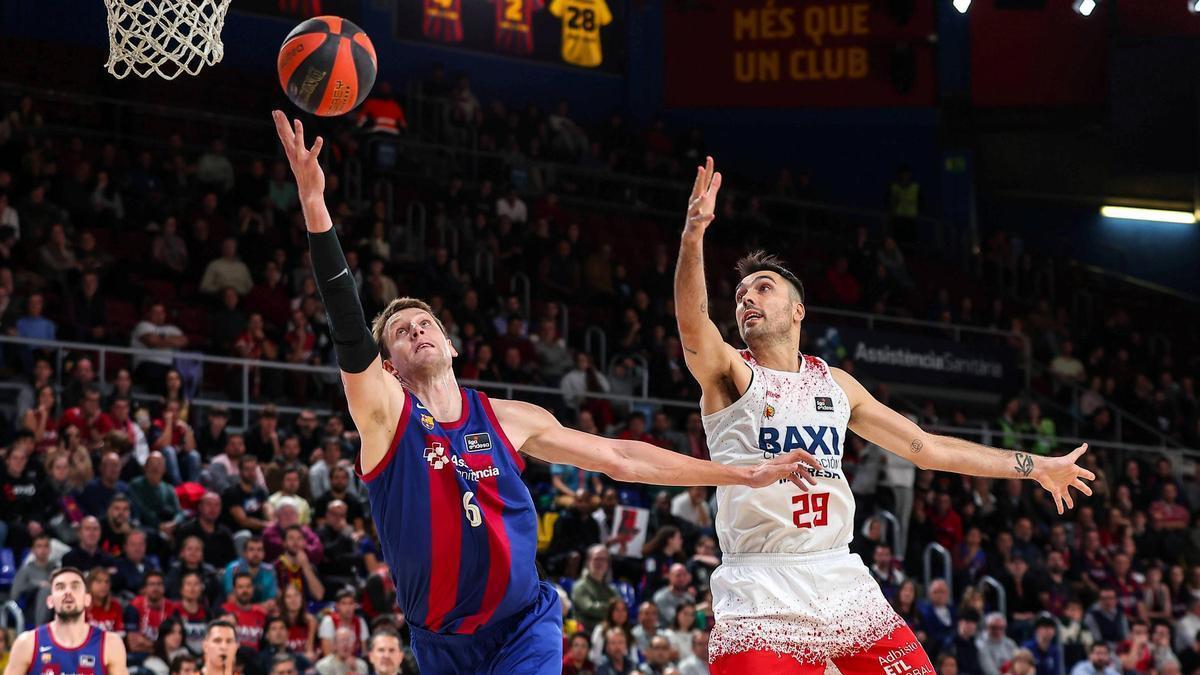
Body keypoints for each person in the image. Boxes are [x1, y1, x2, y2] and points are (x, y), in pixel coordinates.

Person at [271, 111, 810, 674]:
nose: (415, 331)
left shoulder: (509, 419)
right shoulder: (384, 418)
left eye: (425, 323)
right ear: (389, 366)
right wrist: (315, 207)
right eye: (401, 333)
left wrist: (743, 473)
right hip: (440, 642)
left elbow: (620, 457)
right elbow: (349, 330)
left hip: (525, 624)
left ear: (451, 345)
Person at [673, 157, 1094, 675]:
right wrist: (694, 237)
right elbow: (694, 328)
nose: (746, 299)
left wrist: (1035, 465)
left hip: (840, 577)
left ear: (797, 310)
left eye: (762, 288)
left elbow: (929, 448)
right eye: (739, 295)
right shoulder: (730, 373)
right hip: (761, 585)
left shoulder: (837, 384)